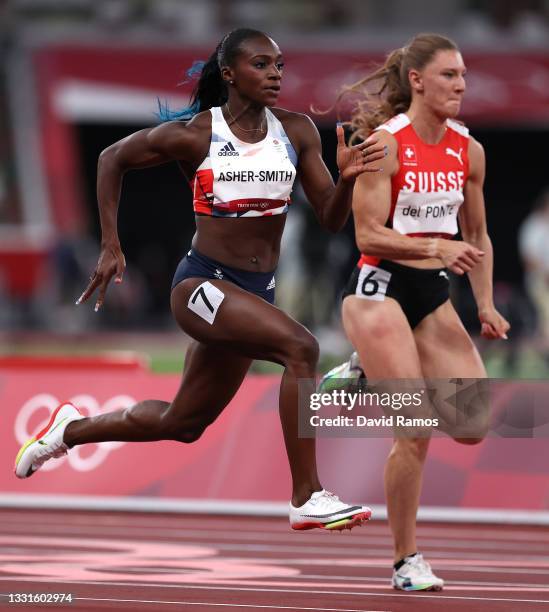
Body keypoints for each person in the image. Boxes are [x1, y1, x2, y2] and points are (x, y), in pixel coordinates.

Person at [14, 28, 385, 531]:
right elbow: (110, 159)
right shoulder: (196, 134)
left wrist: (347, 180)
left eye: (279, 65)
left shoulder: (296, 131)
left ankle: (67, 431)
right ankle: (307, 495)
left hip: (254, 293)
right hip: (200, 287)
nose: (276, 74)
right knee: (301, 348)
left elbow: (331, 219)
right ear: (229, 74)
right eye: (261, 64)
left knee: (183, 423)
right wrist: (109, 244)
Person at [326, 33, 510, 589]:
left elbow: (476, 233)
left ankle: (360, 370)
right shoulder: (384, 144)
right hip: (378, 287)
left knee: (472, 423)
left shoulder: (468, 150)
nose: (460, 85)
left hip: (432, 292)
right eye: (450, 75)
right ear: (417, 80)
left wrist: (485, 303)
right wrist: (436, 246)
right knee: (415, 427)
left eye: (463, 76)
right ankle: (407, 560)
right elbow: (367, 231)